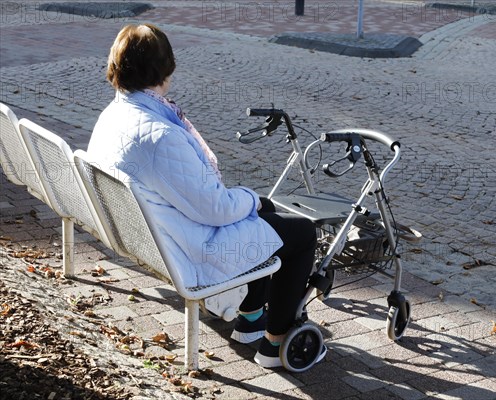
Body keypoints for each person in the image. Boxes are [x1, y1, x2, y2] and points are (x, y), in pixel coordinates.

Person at [88, 24, 326, 368]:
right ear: (165, 68)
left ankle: (251, 318)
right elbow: (214, 208)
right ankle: (275, 346)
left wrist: (254, 202)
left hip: (158, 236)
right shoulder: (159, 135)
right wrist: (251, 199)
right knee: (303, 233)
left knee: (267, 210)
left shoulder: (115, 114)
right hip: (192, 250)